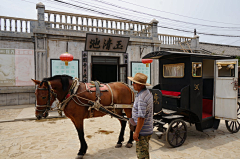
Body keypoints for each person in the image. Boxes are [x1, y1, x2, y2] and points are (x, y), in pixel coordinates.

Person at [128, 72, 153, 159]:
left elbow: (141, 118)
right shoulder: (147, 93)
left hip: (142, 132)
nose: (133, 84)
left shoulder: (142, 98)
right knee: (145, 152)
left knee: (142, 155)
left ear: (141, 85)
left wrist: (136, 132)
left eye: (134, 83)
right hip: (146, 129)